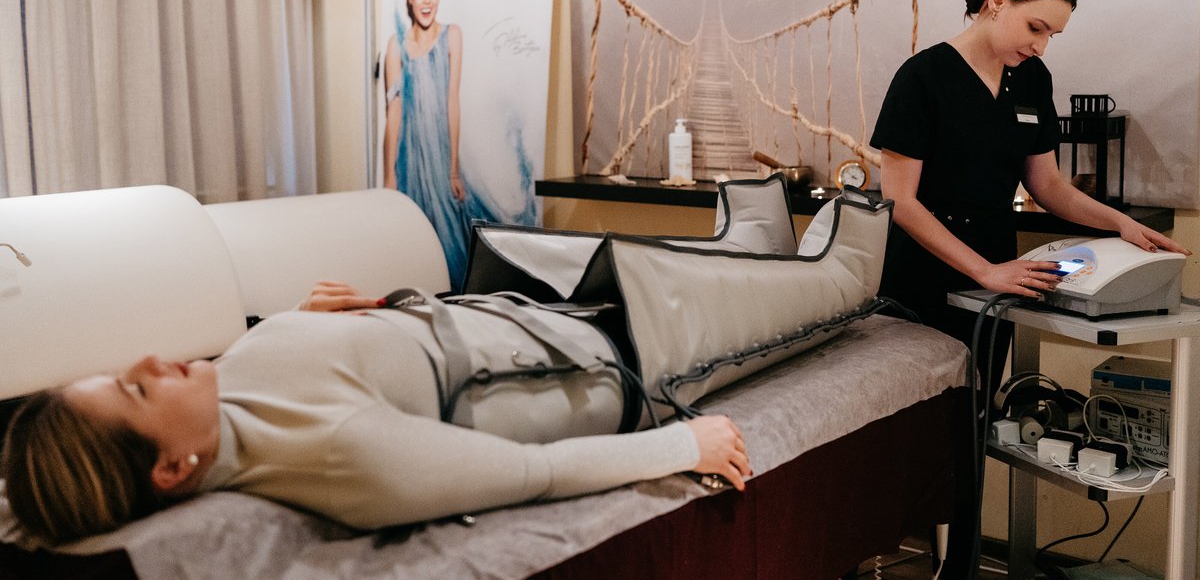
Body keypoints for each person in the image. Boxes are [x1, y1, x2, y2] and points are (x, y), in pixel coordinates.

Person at [869, 0, 1191, 575]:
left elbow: (1049, 187)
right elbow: (900, 201)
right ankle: (893, 557)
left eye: (1052, 36)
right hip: (925, 276)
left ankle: (959, 567)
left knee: (974, 430)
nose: (1041, 46)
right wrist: (983, 271)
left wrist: (1121, 224)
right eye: (1036, 27)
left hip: (997, 280)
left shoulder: (1031, 81)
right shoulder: (922, 77)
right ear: (998, 1)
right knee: (917, 436)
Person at [0, 281, 751, 547]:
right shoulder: (340, 452)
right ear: (171, 469)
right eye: (134, 392)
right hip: (613, 354)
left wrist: (306, 325)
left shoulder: (223, 387)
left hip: (537, 314)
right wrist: (682, 446)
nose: (146, 362)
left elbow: (279, 372)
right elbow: (535, 472)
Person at [382, 0, 533, 290]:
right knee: (411, 247)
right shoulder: (396, 46)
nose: (427, 0)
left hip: (439, 158)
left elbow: (452, 101)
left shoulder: (452, 35)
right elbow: (394, 111)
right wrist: (390, 175)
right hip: (410, 161)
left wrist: (452, 169)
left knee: (451, 244)